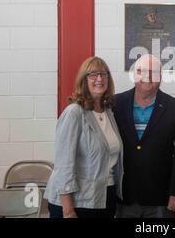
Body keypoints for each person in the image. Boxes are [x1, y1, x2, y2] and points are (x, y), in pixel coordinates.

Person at [44, 56, 123, 218]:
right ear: (83, 80)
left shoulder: (108, 112)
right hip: (76, 202)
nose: (99, 79)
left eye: (103, 74)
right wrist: (68, 210)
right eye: (93, 74)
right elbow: (63, 165)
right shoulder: (74, 113)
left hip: (104, 197)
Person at [114, 54, 175, 218]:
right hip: (124, 197)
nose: (147, 76)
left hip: (161, 198)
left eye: (153, 72)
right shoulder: (115, 104)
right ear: (134, 74)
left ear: (160, 77)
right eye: (141, 71)